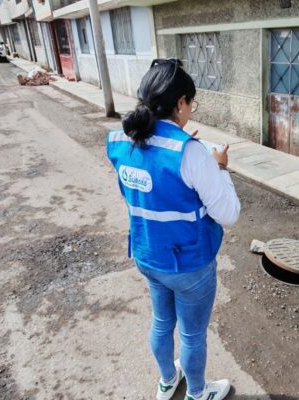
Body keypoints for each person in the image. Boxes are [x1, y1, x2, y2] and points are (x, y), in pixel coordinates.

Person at [106, 58, 240, 400]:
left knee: (162, 322)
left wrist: (183, 147)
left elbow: (148, 178)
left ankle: (167, 381)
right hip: (189, 263)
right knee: (192, 336)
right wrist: (219, 168)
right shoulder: (190, 153)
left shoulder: (120, 139)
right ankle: (197, 393)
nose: (190, 109)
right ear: (180, 103)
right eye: (190, 102)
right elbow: (228, 214)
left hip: (147, 255)